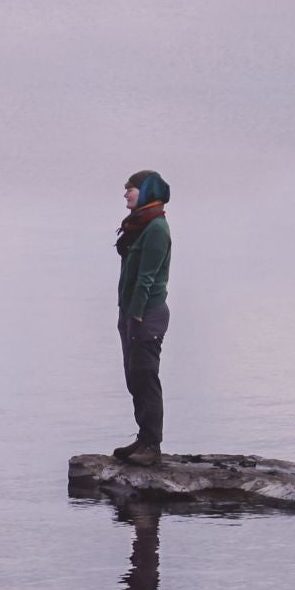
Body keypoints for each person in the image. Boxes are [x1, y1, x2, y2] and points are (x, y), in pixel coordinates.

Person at [112, 170, 171, 467]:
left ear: (147, 191)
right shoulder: (140, 225)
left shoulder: (157, 229)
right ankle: (143, 437)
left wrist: (134, 315)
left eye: (131, 189)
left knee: (146, 376)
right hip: (132, 314)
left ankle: (152, 445)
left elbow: (146, 279)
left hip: (146, 314)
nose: (125, 193)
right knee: (134, 376)